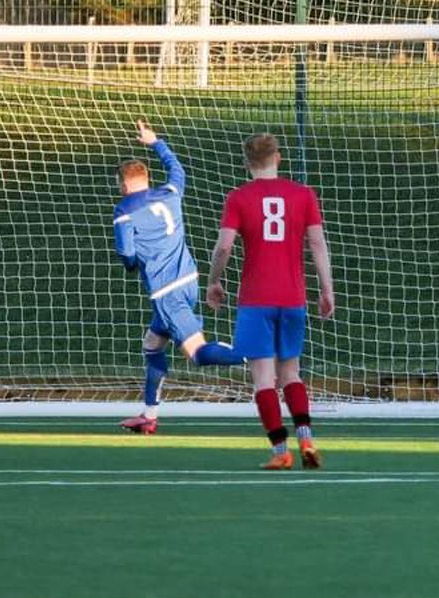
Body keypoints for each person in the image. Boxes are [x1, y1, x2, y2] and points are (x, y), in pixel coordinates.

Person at [206, 133, 336, 471]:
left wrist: (214, 280)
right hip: (293, 298)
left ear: (247, 162)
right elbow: (318, 244)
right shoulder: (303, 194)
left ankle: (281, 451)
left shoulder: (238, 197)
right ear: (278, 157)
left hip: (255, 300)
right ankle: (306, 438)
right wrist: (327, 289)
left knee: (264, 379)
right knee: (291, 372)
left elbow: (223, 247)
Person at [113, 118, 243, 435]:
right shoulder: (170, 193)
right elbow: (177, 170)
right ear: (146, 178)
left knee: (197, 353)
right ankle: (149, 414)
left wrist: (133, 265)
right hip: (188, 280)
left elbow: (127, 254)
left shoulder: (124, 210)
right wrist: (156, 142)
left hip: (165, 291)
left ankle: (254, 353)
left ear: (123, 184)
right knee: (152, 345)